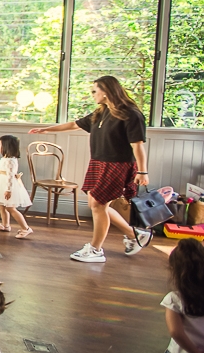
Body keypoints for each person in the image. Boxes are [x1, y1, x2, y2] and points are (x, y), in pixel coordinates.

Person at [31, 75, 151, 262]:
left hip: (117, 164)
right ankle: (134, 234)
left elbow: (137, 145)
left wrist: (142, 172)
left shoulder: (131, 114)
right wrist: (47, 129)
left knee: (98, 205)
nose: (93, 94)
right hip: (98, 163)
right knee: (97, 204)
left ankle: (96, 250)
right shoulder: (101, 113)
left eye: (95, 91)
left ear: (106, 91)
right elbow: (75, 124)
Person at [0, 135, 33, 239]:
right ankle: (5, 225)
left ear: (6, 146)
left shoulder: (10, 160)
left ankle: (25, 228)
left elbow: (10, 176)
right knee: (2, 205)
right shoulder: (4, 159)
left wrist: (8, 190)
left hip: (8, 186)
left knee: (10, 208)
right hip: (1, 183)